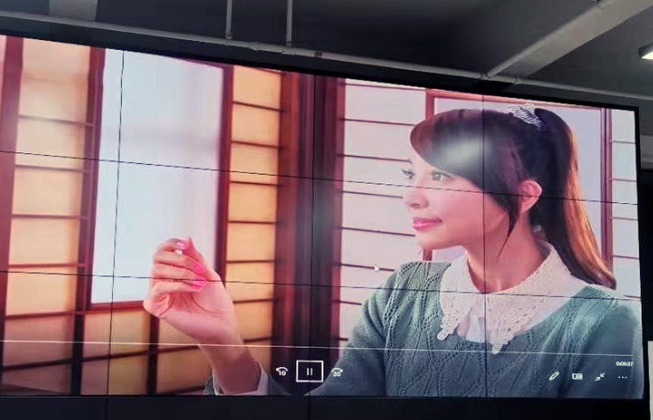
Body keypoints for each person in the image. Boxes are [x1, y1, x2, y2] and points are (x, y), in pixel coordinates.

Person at [142, 105, 643, 398]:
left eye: (439, 176)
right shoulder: (404, 289)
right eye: (411, 175)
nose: (411, 196)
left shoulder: (603, 322)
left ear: (525, 195)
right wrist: (225, 343)